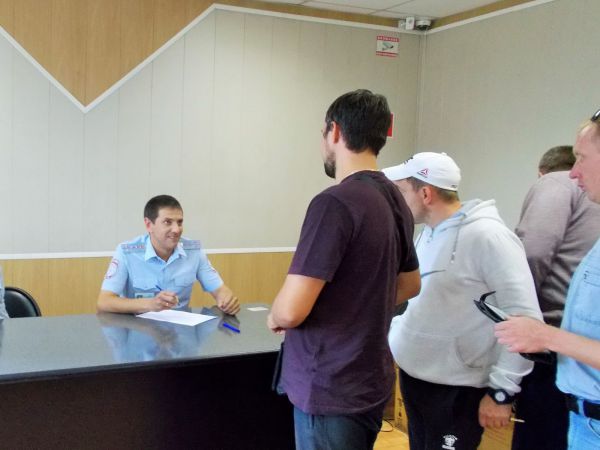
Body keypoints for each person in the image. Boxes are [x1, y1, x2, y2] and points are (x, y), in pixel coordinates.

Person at [267, 89, 421, 450]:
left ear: (334, 131)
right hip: (369, 381)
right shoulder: (394, 199)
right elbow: (410, 284)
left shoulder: (334, 203)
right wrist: (358, 308)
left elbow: (290, 311)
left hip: (329, 387)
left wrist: (275, 315)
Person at [383, 152, 543, 450]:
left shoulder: (489, 237)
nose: (397, 201)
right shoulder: (427, 234)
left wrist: (502, 392)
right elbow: (425, 301)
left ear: (426, 193)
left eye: (402, 191)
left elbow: (525, 320)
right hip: (417, 378)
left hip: (457, 390)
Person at [496, 109, 600, 449]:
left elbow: (533, 255)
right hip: (580, 414)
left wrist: (543, 334)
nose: (573, 172)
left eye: (582, 158)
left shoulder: (554, 185)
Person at [98, 195, 240, 315]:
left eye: (180, 222)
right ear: (148, 225)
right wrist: (150, 304)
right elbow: (104, 301)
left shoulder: (194, 251)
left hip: (181, 332)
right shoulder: (127, 252)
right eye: (167, 222)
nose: (176, 230)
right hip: (139, 330)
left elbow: (220, 290)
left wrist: (226, 301)